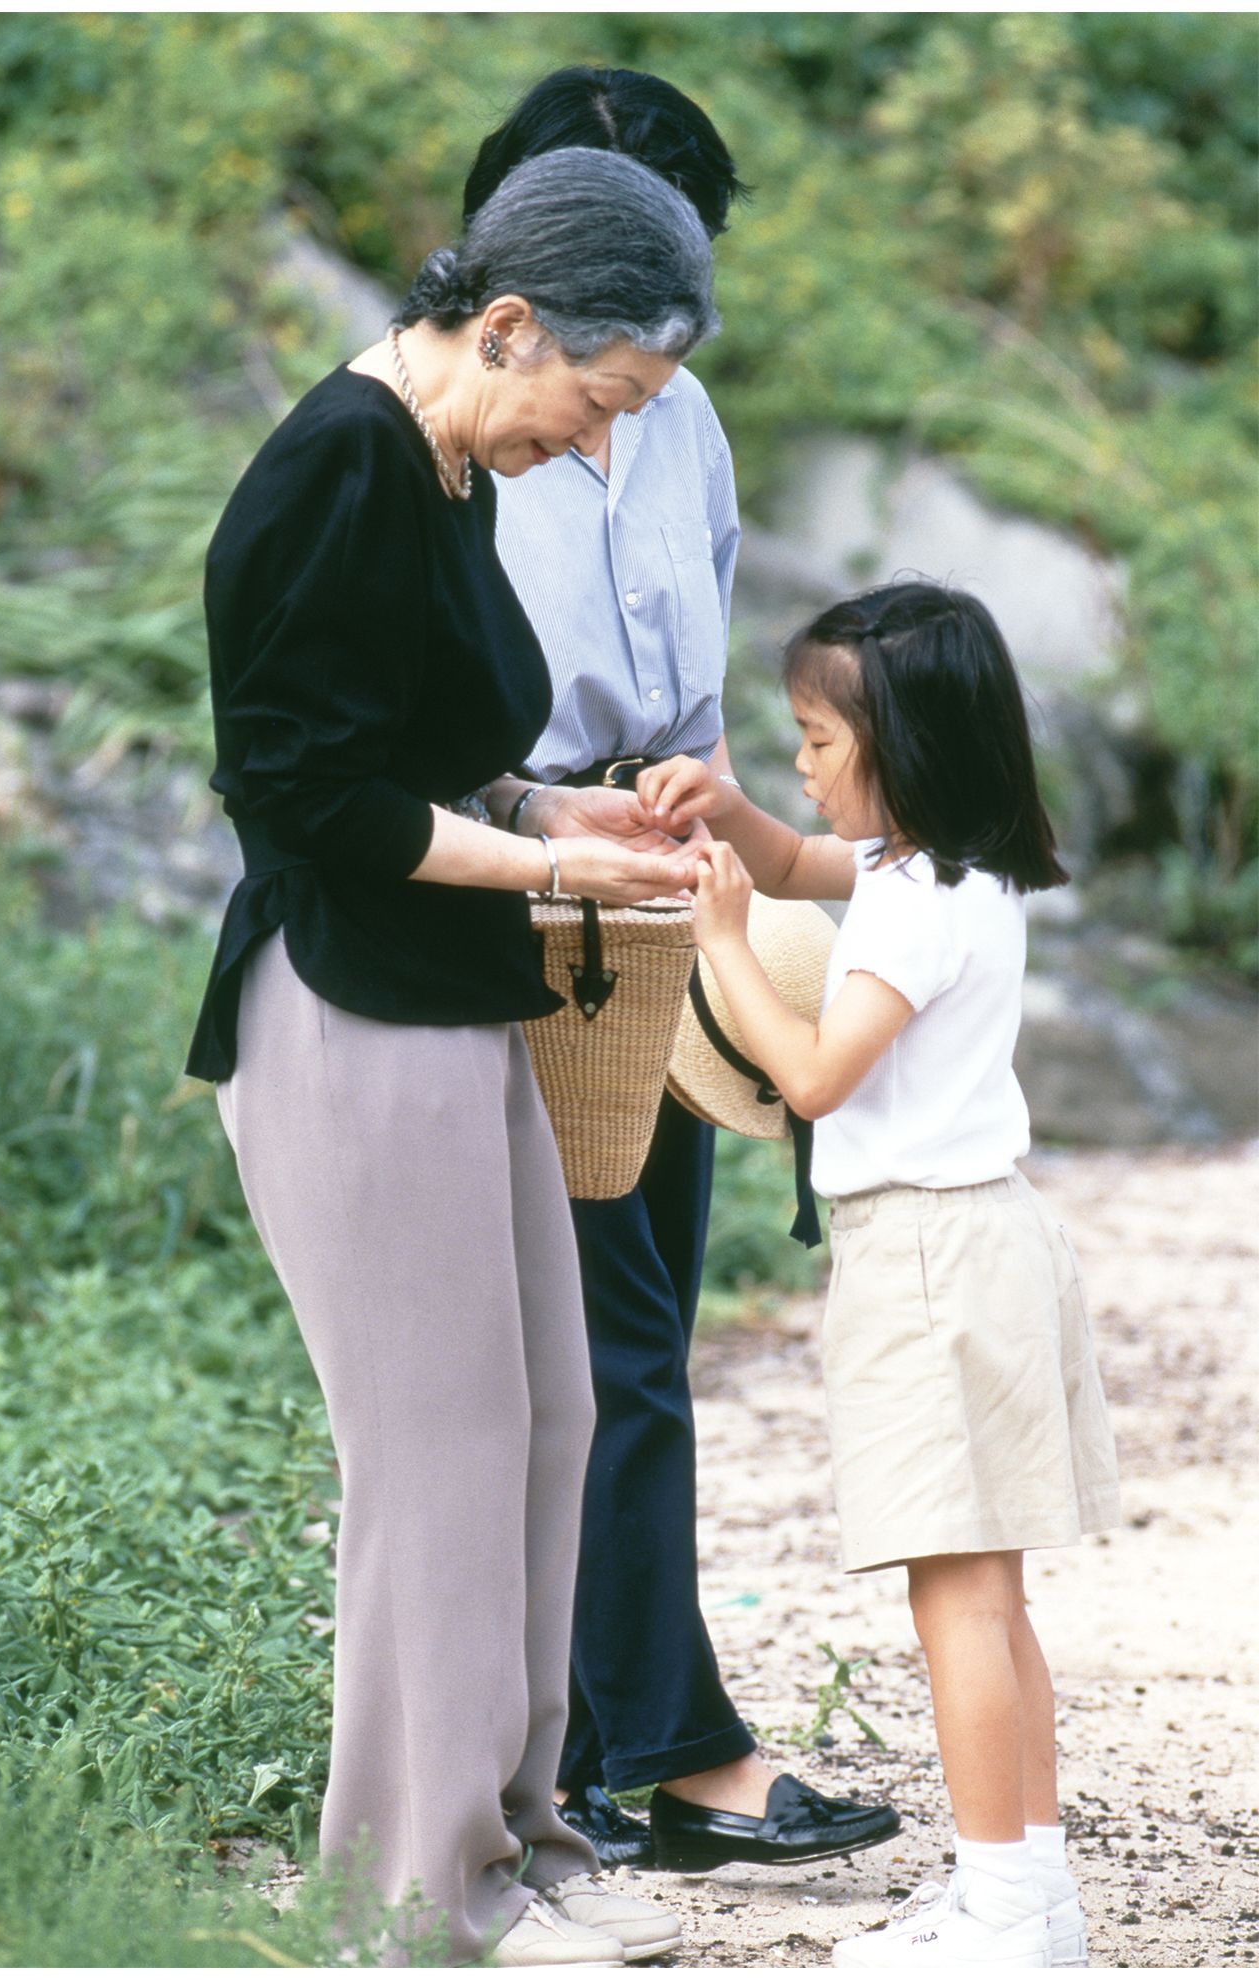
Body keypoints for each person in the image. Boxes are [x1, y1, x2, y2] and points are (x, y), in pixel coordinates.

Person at [185, 147, 726, 1969]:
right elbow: (309, 794)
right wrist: (549, 859)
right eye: (597, 400)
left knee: (550, 1419)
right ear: (506, 324)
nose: (590, 448)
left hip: (453, 990)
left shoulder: (443, 465)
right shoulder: (333, 465)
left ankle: (523, 1827)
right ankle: (421, 1894)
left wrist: (557, 808)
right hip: (344, 1006)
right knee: (432, 1456)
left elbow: (428, 754)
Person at [466, 64, 901, 1877]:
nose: (654, 317)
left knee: (622, 1320)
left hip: (660, 874)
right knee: (594, 1338)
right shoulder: (448, 416)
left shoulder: (687, 415)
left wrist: (723, 829)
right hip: (512, 874)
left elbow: (697, 640)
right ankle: (662, 1757)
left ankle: (603, 1747)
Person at [637, 581, 1122, 1967]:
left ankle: (999, 1913)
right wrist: (727, 819)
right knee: (994, 1592)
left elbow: (810, 1076)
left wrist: (721, 944)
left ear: (900, 743)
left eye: (814, 736)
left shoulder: (912, 905)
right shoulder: (957, 868)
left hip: (921, 1254)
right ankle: (1031, 1897)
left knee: (953, 1599)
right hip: (990, 1238)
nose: (798, 762)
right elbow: (798, 862)